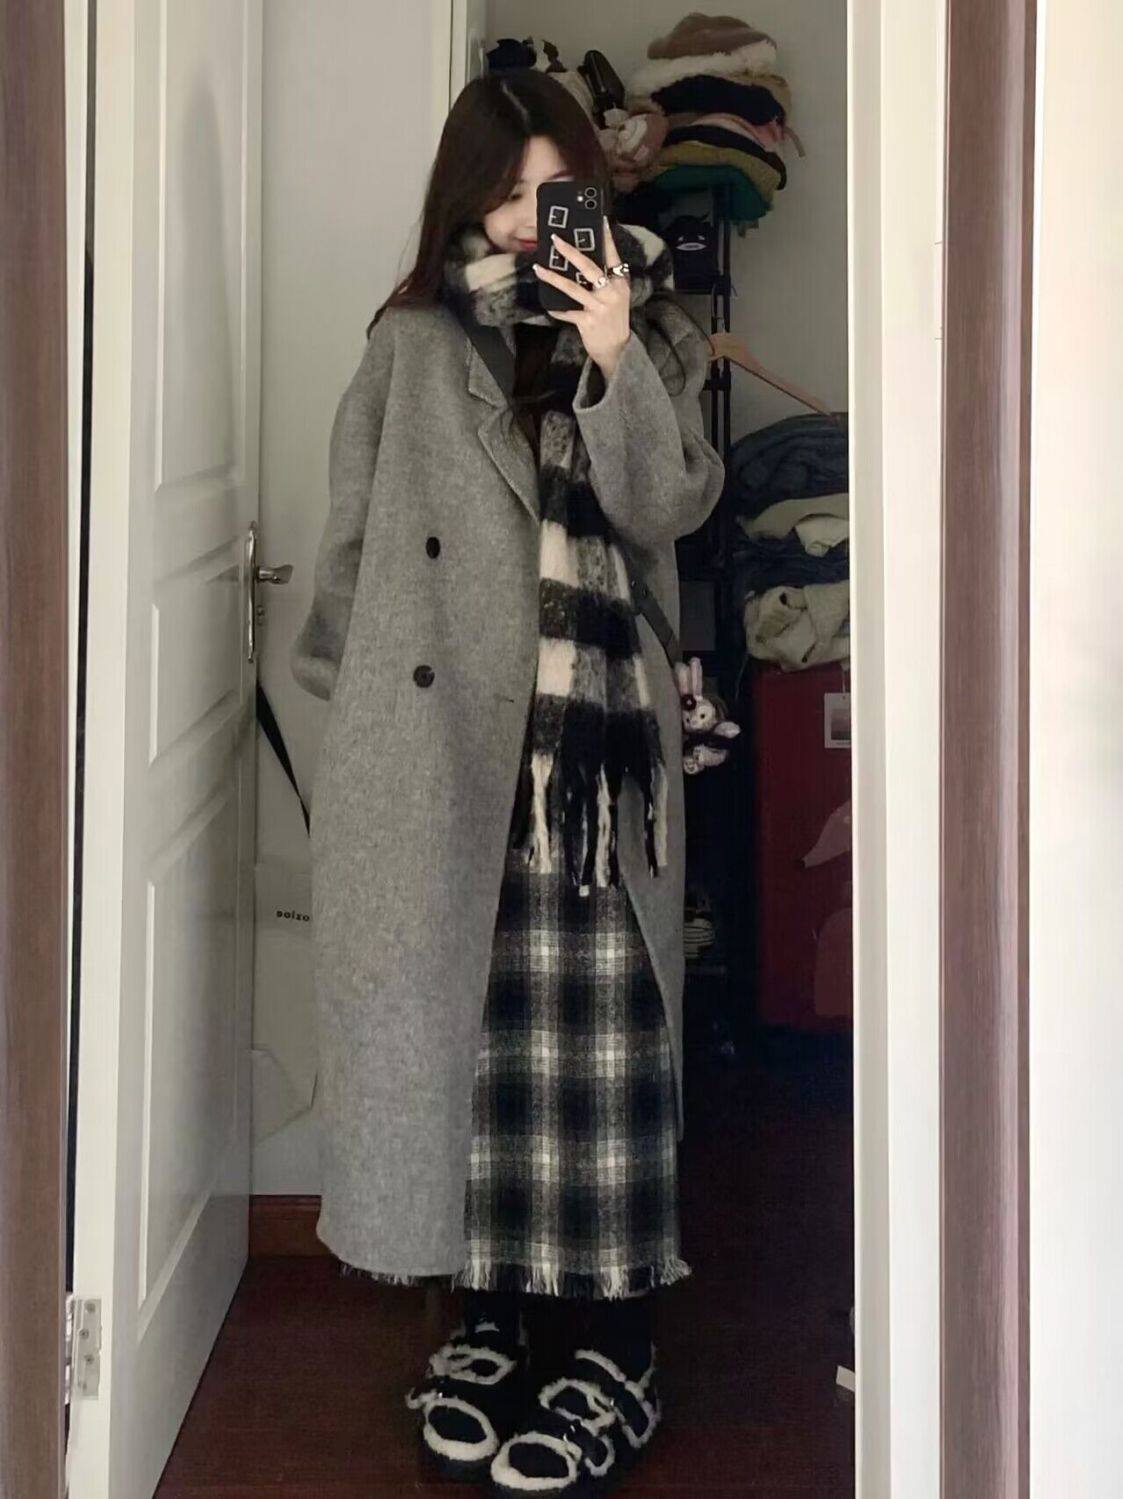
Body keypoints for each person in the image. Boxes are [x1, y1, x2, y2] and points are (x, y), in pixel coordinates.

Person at [291, 68, 724, 1495]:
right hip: (443, 756)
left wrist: (610, 353)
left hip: (594, 757)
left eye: (556, 190)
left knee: (596, 1057)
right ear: (466, 200)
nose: (532, 220)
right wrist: (356, 724)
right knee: (462, 1054)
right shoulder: (414, 342)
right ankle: (485, 1327)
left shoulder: (650, 324)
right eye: (506, 192)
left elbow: (670, 505)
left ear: (594, 185)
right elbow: (351, 546)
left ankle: (613, 1351)